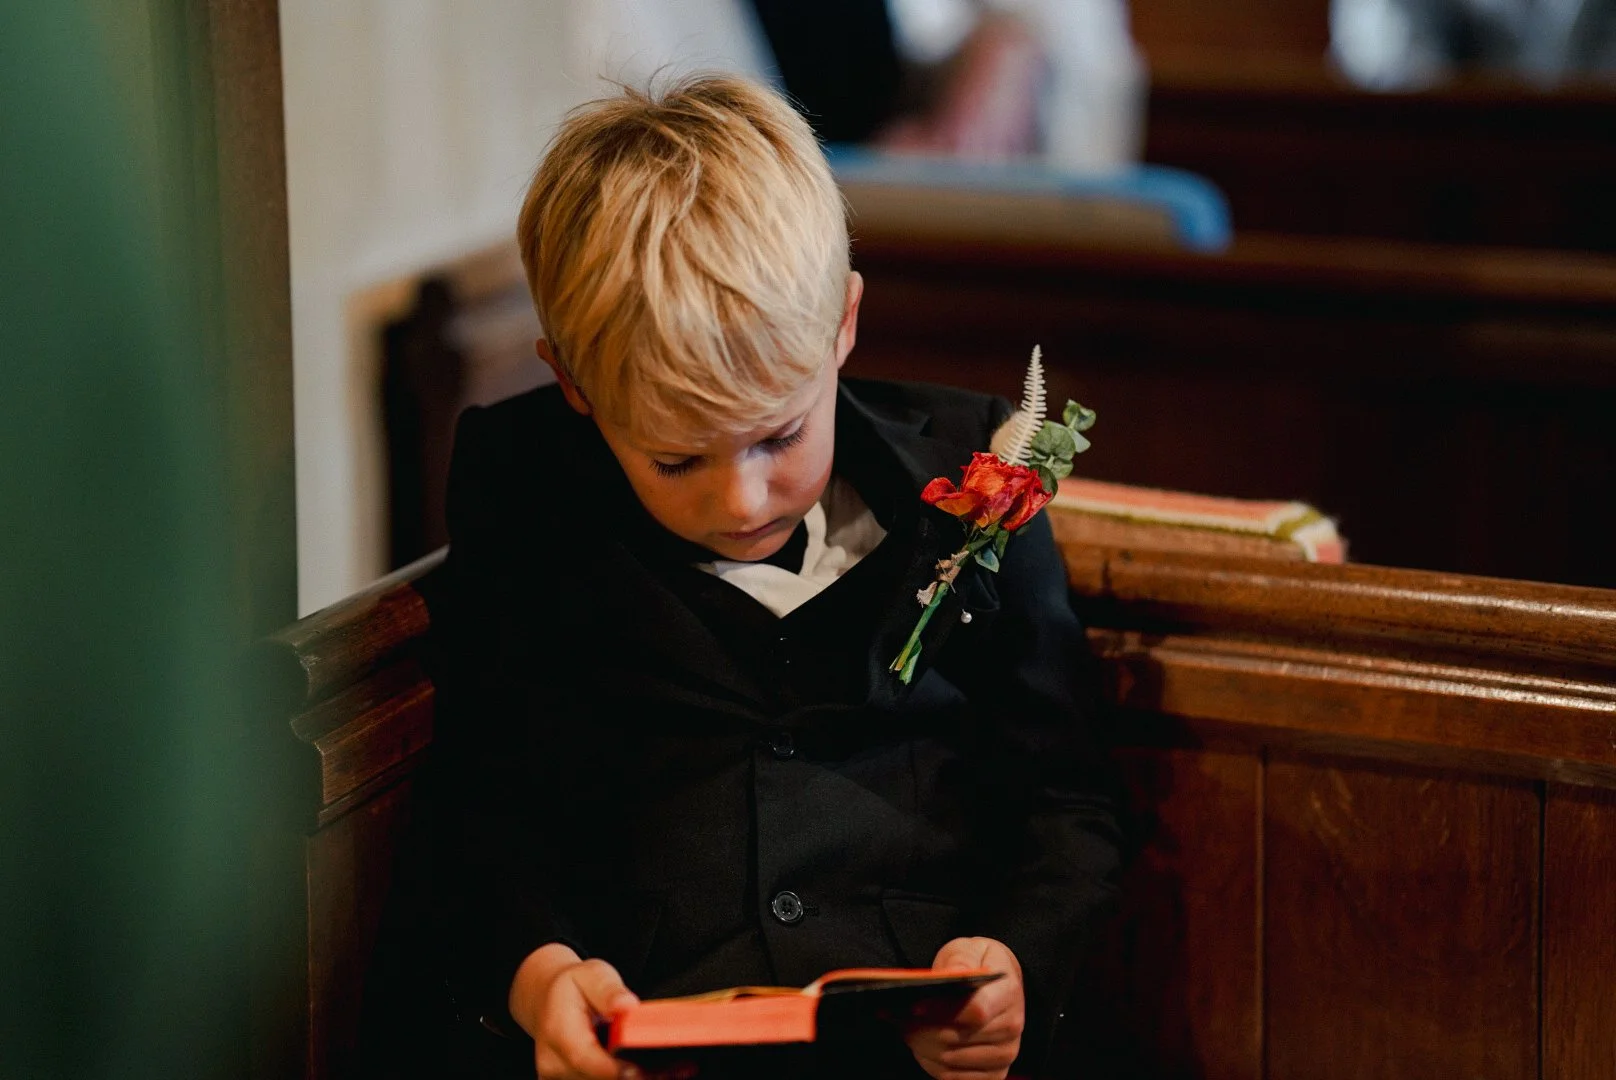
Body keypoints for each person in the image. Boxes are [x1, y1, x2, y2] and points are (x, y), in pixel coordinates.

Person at [423, 74, 1120, 1080]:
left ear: (841, 324)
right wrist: (543, 979)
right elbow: (485, 801)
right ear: (574, 386)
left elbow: (1068, 797)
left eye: (778, 437)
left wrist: (1013, 963)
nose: (742, 500)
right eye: (676, 461)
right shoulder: (526, 495)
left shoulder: (974, 469)